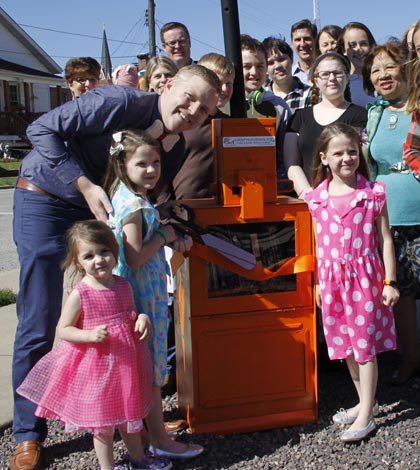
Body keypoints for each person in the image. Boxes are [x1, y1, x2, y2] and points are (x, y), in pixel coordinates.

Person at [10, 65, 220, 470]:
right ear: (168, 84)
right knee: (41, 315)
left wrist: (170, 223)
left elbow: (149, 193)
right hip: (47, 198)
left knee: (118, 315)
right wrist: (84, 186)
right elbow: (40, 129)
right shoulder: (117, 101)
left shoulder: (174, 146)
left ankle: (137, 421)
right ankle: (27, 434)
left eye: (205, 110)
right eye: (190, 98)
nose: (194, 111)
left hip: (103, 218)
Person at [15, 220, 172, 470]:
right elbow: (63, 329)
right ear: (78, 262)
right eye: (89, 256)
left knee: (129, 419)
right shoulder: (81, 293)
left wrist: (141, 318)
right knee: (103, 427)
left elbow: (130, 312)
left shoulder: (122, 284)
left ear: (114, 253)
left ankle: (139, 459)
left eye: (104, 252)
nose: (99, 260)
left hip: (124, 365)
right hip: (96, 369)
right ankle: (107, 466)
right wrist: (88, 336)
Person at [103, 130, 202, 460]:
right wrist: (164, 233)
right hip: (143, 297)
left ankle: (147, 433)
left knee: (140, 368)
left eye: (156, 162)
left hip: (131, 295)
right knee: (151, 370)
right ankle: (160, 438)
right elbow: (134, 255)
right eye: (142, 163)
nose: (151, 170)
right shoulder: (134, 206)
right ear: (122, 165)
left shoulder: (122, 195)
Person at [305, 123, 398, 442]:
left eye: (352, 151)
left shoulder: (373, 193)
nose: (346, 157)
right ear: (324, 157)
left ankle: (368, 413)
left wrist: (390, 280)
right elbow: (317, 245)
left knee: (364, 346)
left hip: (365, 280)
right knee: (345, 344)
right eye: (338, 152)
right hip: (331, 282)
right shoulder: (317, 199)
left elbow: (386, 239)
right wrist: (318, 283)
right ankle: (362, 403)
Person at [362, 41, 420, 384]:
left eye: (389, 66)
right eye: (375, 69)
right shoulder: (375, 113)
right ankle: (411, 358)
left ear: (407, 69)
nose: (382, 74)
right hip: (388, 217)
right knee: (402, 293)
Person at [284, 52, 367, 199]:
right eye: (325, 74)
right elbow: (292, 163)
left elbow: (360, 159)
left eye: (338, 73)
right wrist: (306, 192)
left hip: (348, 198)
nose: (332, 78)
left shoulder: (360, 115)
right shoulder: (299, 117)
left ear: (347, 77)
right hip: (308, 200)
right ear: (315, 80)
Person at [169, 52, 234, 200]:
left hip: (220, 211)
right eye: (218, 82)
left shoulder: (230, 125)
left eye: (229, 84)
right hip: (180, 209)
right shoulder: (182, 122)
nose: (223, 89)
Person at [240, 34, 291, 180]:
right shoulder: (219, 105)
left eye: (260, 66)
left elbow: (284, 156)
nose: (254, 73)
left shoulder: (280, 107)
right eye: (247, 67)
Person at [262, 36, 312, 115]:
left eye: (281, 59)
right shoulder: (261, 98)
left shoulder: (311, 94)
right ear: (264, 69)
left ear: (291, 59)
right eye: (270, 63)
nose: (278, 66)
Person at [338, 22, 376, 107]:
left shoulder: (381, 79)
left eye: (363, 44)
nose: (359, 49)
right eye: (352, 45)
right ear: (344, 50)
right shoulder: (339, 84)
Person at [290, 19, 318, 85]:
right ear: (292, 43)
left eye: (307, 39)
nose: (303, 44)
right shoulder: (288, 76)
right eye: (298, 40)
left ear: (316, 40)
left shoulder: (326, 71)